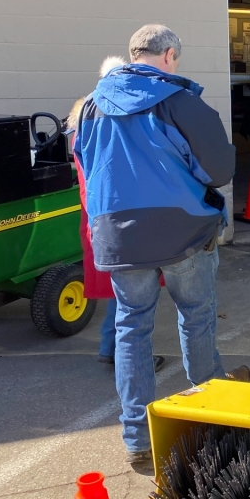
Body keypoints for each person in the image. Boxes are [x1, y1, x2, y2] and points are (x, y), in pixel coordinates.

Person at [75, 24, 242, 465]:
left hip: (118, 235)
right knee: (197, 316)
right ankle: (210, 417)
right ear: (168, 55)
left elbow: (86, 165)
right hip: (183, 230)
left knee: (132, 328)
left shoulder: (91, 106)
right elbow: (219, 169)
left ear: (133, 55)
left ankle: (137, 437)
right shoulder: (180, 102)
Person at [67, 62, 166, 373]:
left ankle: (109, 346)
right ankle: (129, 359)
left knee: (121, 289)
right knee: (135, 295)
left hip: (98, 216)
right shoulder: (120, 115)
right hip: (126, 216)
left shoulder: (84, 113)